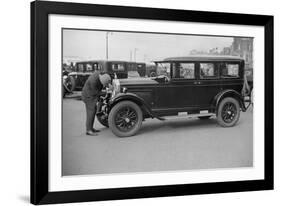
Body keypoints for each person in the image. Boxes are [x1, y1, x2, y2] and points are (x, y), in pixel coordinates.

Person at [81, 71, 111, 136]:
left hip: (91, 94)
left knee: (93, 112)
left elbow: (102, 84)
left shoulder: (101, 75)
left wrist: (107, 87)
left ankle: (91, 128)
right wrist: (106, 92)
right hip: (88, 96)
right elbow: (96, 93)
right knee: (91, 113)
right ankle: (88, 130)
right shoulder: (93, 81)